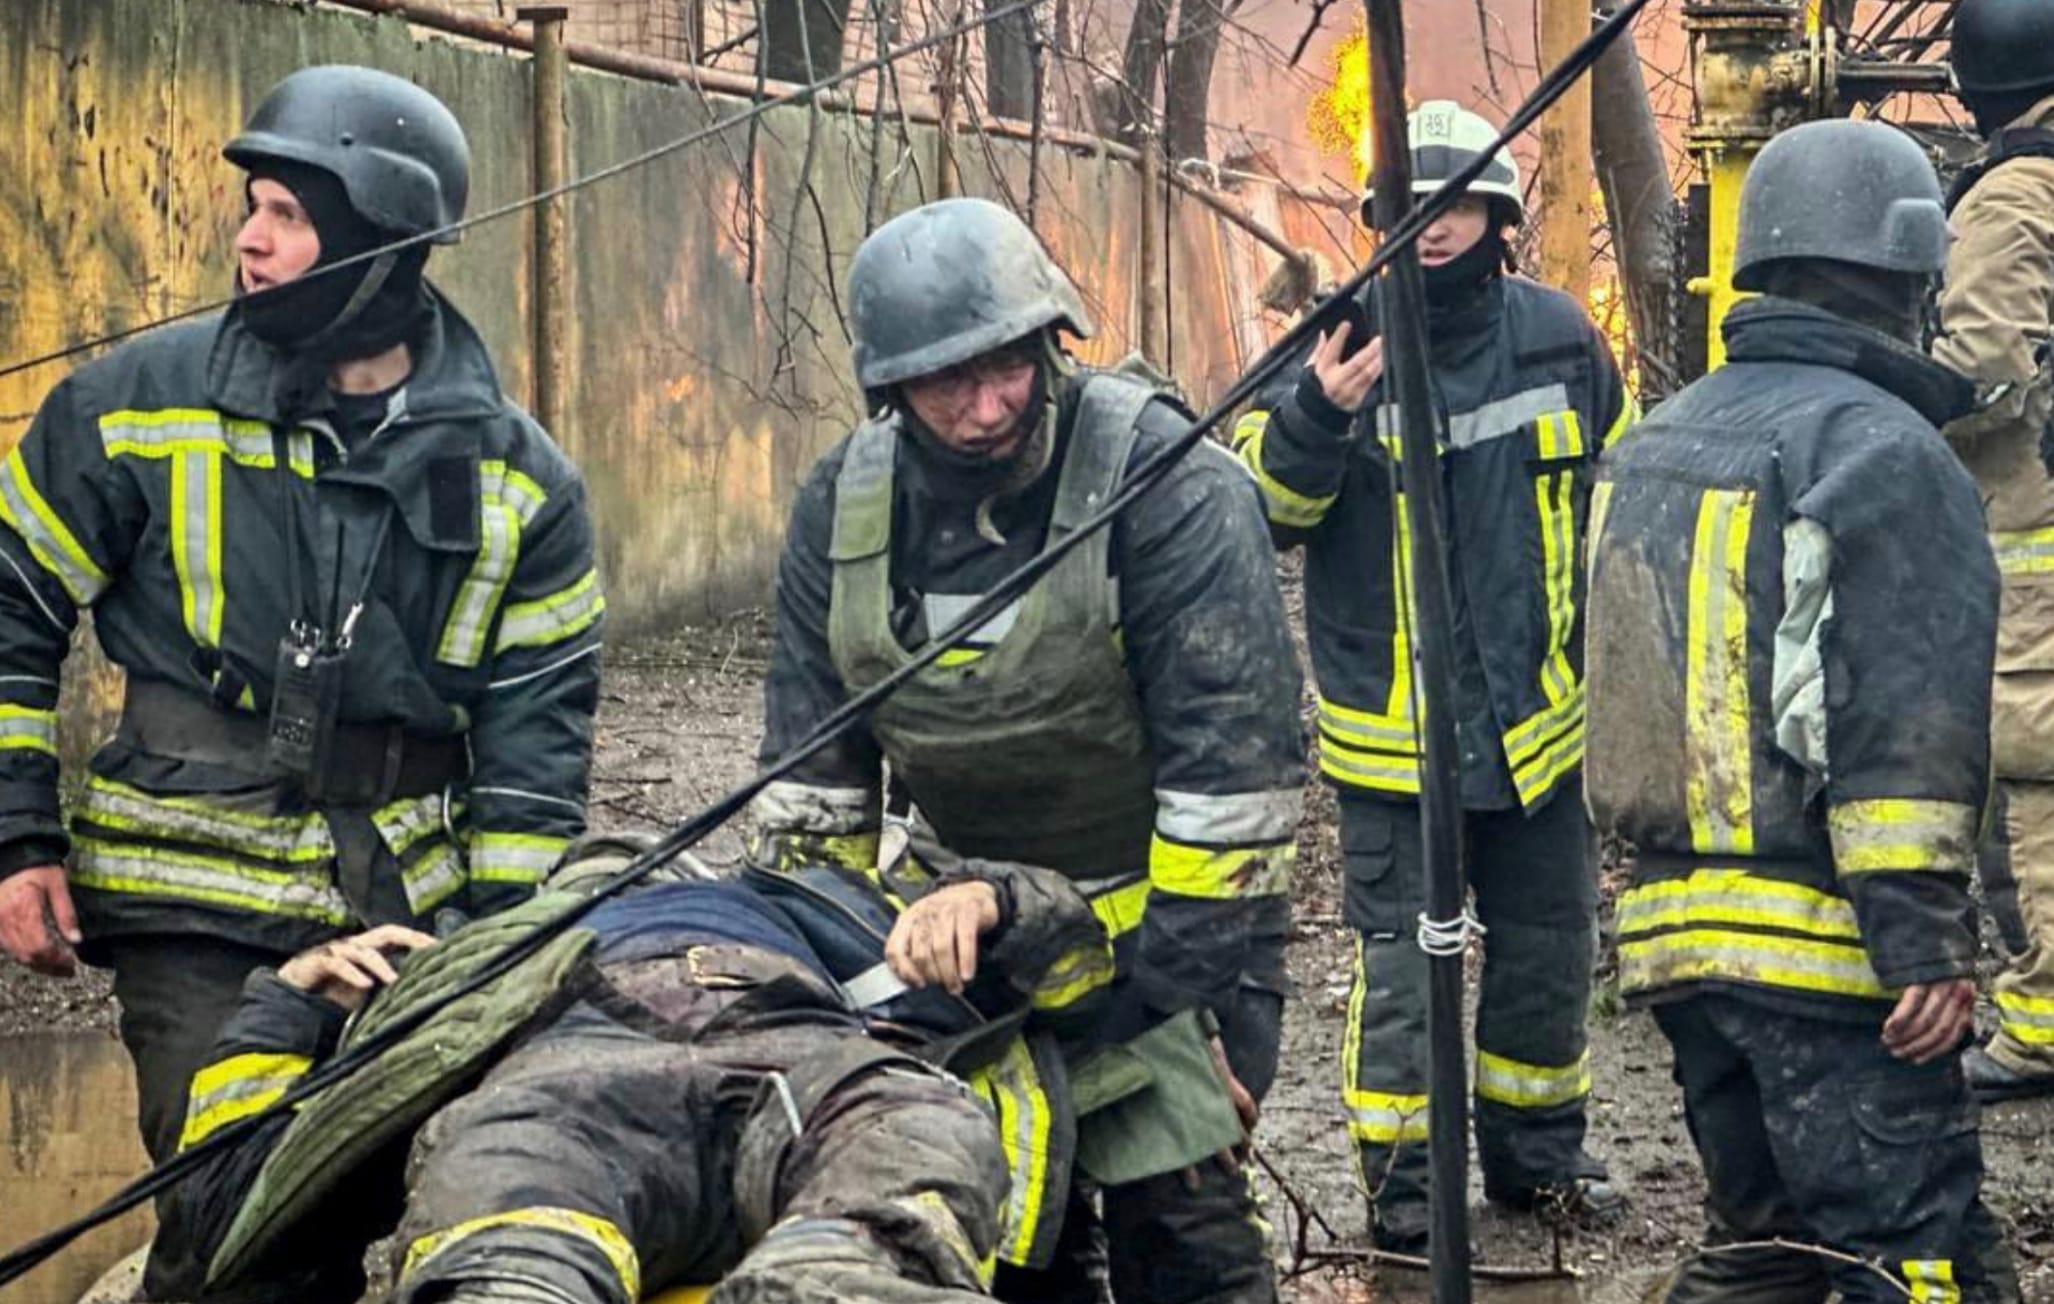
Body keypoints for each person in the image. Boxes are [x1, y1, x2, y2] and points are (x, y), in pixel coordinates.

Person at [0, 62, 602, 1229]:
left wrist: (487, 955)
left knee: (387, 1204)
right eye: (253, 207)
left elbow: (537, 750)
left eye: (288, 215)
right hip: (193, 906)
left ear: (380, 244)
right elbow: (8, 603)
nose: (250, 241)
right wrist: (16, 833)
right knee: (227, 1208)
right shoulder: (137, 403)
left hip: (407, 913)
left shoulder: (519, 480)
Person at [752, 196, 1305, 1304]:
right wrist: (836, 1000)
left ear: (1051, 339)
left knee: (1186, 1241)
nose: (986, 403)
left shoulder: (1169, 484)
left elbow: (1230, 789)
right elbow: (810, 800)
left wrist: (1168, 1021)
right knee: (991, 1239)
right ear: (889, 388)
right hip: (956, 954)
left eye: (1008, 362)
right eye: (946, 380)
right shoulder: (841, 505)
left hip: (1172, 949)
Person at [1585, 117, 2018, 1303]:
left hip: (1676, 944)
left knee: (1764, 1244)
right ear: (1905, 274)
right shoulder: (1885, 449)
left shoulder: (1658, 437)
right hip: (1832, 959)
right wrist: (1923, 940)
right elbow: (1900, 715)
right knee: (1918, 1254)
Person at [1232, 100, 1630, 1253]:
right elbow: (1260, 513)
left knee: (1549, 953)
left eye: (1455, 202)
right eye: (1408, 206)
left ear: (1498, 215)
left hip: (1537, 731)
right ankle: (1405, 1195)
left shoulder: (1560, 337)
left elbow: (1616, 491)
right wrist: (1317, 414)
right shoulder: (1329, 349)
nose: (1433, 225)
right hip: (1395, 747)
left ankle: (1537, 1161)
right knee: (1405, 976)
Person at [149, 835, 1114, 1304]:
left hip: (802, 1046)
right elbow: (219, 1214)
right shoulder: (466, 953)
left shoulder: (821, 899)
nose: (630, 862)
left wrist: (994, 899)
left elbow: (1079, 971)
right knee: (504, 1201)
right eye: (600, 858)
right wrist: (290, 997)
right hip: (567, 1076)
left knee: (913, 1130)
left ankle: (838, 1277)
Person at [1931, 0, 2054, 1103]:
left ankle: (2038, 1026)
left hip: (2030, 547)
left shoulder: (2012, 200)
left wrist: (1887, 388)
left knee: (2031, 777)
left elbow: (1981, 377)